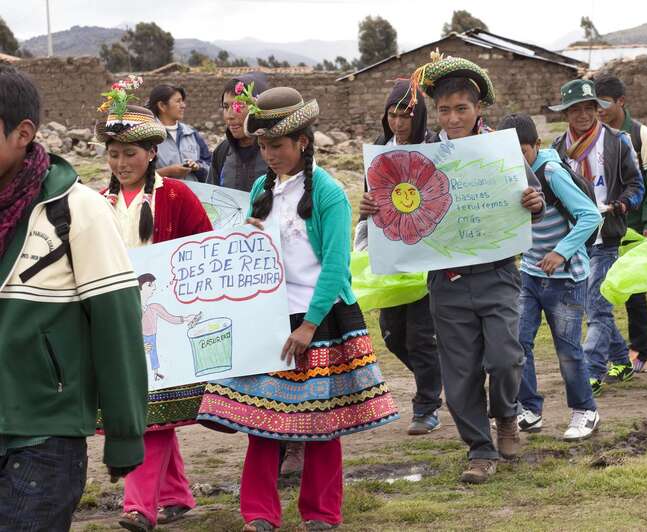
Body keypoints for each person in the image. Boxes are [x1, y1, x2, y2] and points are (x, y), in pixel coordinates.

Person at [197, 87, 399, 530]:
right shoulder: (260, 189)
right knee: (260, 418)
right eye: (264, 145)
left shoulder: (327, 193)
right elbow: (251, 250)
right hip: (268, 316)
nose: (268, 154)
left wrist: (308, 325)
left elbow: (334, 266)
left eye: (277, 145)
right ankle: (259, 513)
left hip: (320, 317)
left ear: (302, 143)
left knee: (322, 423)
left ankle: (321, 513)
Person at [361, 52, 545, 484]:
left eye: (462, 108)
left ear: (479, 109)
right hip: (446, 283)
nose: (453, 117)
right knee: (460, 372)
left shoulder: (500, 151)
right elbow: (393, 208)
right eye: (444, 109)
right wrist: (371, 206)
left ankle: (505, 415)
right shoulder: (421, 156)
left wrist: (533, 203)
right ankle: (480, 450)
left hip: (498, 274)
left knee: (504, 358)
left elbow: (532, 201)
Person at [0, 65, 147, 531]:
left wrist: (125, 434)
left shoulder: (76, 209)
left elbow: (116, 322)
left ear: (23, 132)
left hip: (44, 439)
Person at [94, 86, 214, 532]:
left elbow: (201, 250)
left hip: (160, 322)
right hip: (114, 322)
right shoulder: (98, 202)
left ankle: (138, 507)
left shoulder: (178, 196)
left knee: (150, 416)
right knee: (144, 411)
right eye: (113, 155)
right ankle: (177, 493)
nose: (121, 163)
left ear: (150, 152)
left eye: (130, 153)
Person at [498, 113, 603, 439]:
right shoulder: (505, 174)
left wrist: (561, 252)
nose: (517, 161)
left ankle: (586, 411)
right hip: (529, 274)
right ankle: (530, 409)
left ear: (536, 146)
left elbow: (590, 215)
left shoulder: (551, 171)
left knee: (568, 349)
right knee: (518, 345)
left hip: (566, 280)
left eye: (522, 153)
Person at [355, 79, 442, 436]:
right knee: (392, 335)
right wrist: (364, 212)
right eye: (392, 115)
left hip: (425, 253)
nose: (398, 123)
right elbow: (369, 194)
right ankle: (439, 375)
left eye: (405, 115)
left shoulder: (435, 147)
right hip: (391, 250)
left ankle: (426, 406)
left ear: (418, 115)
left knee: (421, 335)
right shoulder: (379, 148)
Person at [550, 79, 644, 398]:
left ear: (597, 110)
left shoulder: (618, 142)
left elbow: (637, 187)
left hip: (607, 234)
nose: (583, 115)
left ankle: (590, 372)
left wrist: (619, 205)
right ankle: (622, 360)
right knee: (592, 305)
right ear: (566, 114)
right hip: (575, 238)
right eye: (575, 110)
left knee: (599, 308)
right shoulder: (557, 150)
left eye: (588, 108)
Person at [593, 73, 647, 376]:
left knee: (634, 291)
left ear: (621, 102)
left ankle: (640, 349)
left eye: (604, 103)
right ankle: (613, 352)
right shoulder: (592, 136)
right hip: (601, 228)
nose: (599, 110)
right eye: (594, 103)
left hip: (633, 226)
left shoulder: (641, 135)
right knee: (597, 291)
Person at [210, 73, 271, 191]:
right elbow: (212, 198)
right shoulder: (222, 152)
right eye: (225, 107)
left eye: (238, 106)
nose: (229, 116)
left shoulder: (275, 152)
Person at [147, 84, 211, 182]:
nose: (183, 105)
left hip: (192, 195)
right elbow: (138, 176)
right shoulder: (148, 135)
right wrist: (167, 172)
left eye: (183, 101)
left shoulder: (191, 134)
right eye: (178, 101)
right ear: (162, 106)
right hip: (162, 195)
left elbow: (210, 166)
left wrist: (198, 166)